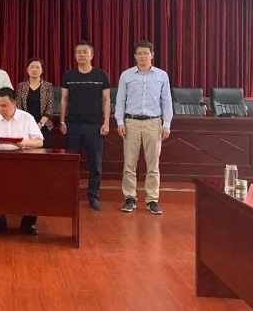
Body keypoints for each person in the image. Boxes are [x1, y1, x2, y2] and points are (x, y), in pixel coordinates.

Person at [114, 40, 172, 215]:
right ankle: (129, 197)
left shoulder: (162, 76)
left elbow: (166, 101)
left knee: (153, 165)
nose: (142, 56)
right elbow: (120, 100)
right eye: (139, 53)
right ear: (134, 56)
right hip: (131, 123)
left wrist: (167, 124)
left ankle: (152, 200)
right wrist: (120, 122)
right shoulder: (126, 75)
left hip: (153, 123)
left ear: (152, 55)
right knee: (129, 164)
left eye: (146, 53)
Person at [0, 87, 44, 235]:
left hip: (23, 161)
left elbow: (39, 142)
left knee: (33, 186)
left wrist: (23, 142)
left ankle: (28, 224)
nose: (1, 108)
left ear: (14, 104)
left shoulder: (26, 118)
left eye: (4, 105)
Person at [60, 41, 111, 211]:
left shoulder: (101, 75)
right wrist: (62, 120)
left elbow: (106, 100)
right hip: (73, 124)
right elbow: (64, 99)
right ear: (75, 56)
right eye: (78, 52)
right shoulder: (69, 75)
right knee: (71, 163)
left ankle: (93, 196)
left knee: (95, 164)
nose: (81, 55)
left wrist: (106, 122)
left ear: (92, 55)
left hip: (94, 125)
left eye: (85, 52)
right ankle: (70, 195)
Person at [15, 57, 55, 148]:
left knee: (44, 152)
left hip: (43, 125)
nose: (34, 70)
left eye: (37, 67)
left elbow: (49, 108)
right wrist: (28, 124)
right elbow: (19, 107)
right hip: (25, 125)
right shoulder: (21, 86)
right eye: (32, 67)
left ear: (42, 70)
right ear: (27, 70)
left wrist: (40, 124)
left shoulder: (48, 86)